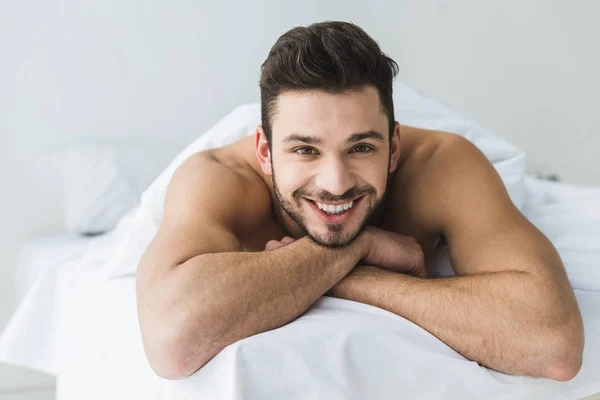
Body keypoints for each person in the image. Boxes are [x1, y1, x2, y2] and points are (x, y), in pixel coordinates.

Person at [136, 21, 583, 382]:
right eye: (305, 150)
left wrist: (352, 276)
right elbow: (172, 342)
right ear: (265, 153)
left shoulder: (442, 165)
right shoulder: (218, 178)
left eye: (361, 148)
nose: (334, 184)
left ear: (393, 146)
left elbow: (554, 346)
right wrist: (358, 246)